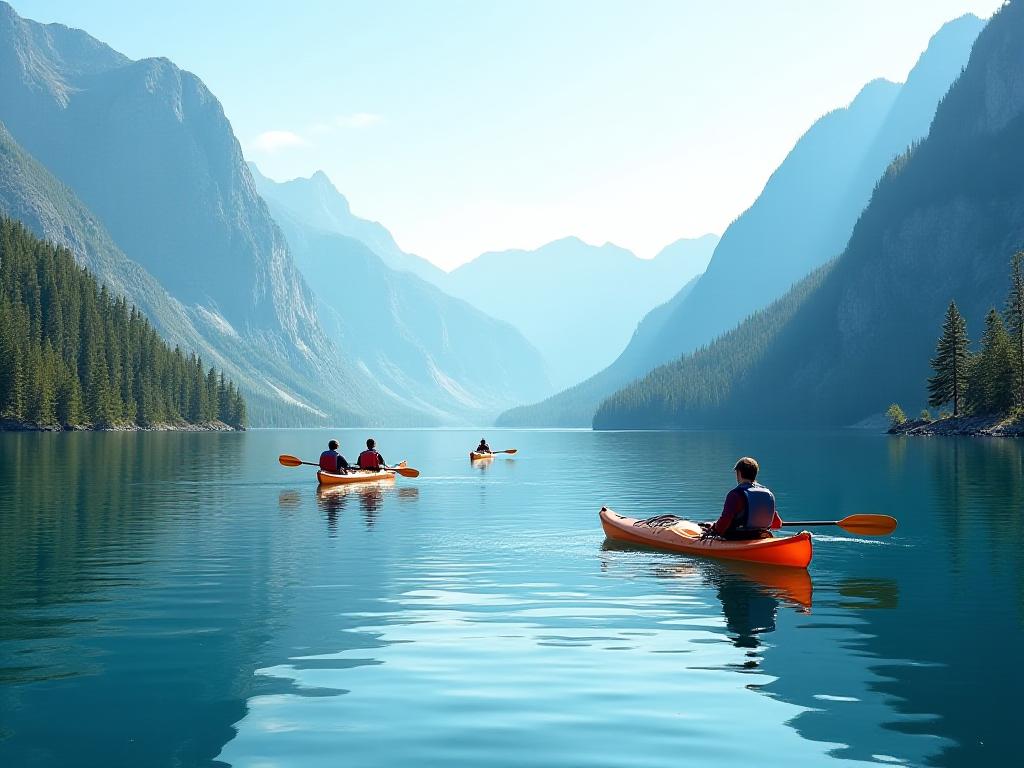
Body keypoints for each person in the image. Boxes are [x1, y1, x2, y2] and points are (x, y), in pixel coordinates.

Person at [703, 457, 783, 540]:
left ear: (739, 473)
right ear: (755, 474)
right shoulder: (768, 494)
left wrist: (713, 528)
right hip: (762, 536)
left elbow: (724, 523)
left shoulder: (735, 495)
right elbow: (777, 524)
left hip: (738, 538)